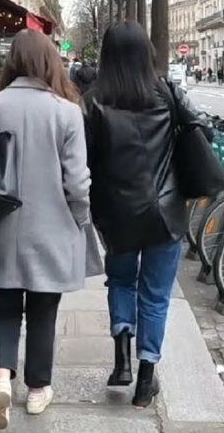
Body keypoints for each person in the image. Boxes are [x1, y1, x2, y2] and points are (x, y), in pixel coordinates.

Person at [0, 30, 94, 429]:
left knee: (2, 308)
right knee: (43, 311)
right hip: (51, 229)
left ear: (12, 61)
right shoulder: (67, 111)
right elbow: (77, 182)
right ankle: (37, 390)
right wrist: (80, 219)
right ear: (50, 62)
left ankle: (1, 379)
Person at [83, 21, 189, 408]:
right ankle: (146, 379)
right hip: (165, 213)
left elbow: (87, 161)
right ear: (147, 52)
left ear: (106, 55)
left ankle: (121, 361)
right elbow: (199, 133)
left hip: (117, 214)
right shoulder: (166, 92)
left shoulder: (93, 99)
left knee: (122, 283)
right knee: (156, 296)